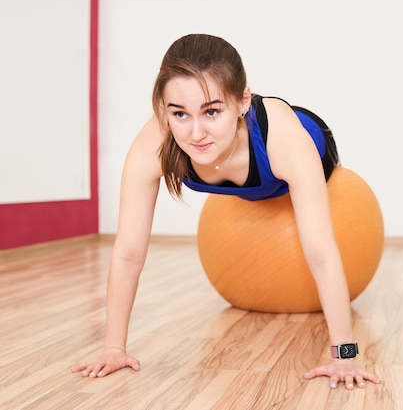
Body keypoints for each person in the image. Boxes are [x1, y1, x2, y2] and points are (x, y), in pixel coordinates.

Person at [71, 34, 381, 390]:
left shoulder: (285, 141)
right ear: (163, 109)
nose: (196, 132)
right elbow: (127, 254)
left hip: (312, 142)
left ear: (243, 101)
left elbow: (322, 256)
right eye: (179, 114)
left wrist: (345, 355)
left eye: (212, 111)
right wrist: (114, 348)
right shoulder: (153, 142)